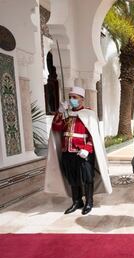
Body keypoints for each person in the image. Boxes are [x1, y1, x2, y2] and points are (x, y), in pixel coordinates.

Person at [44, 86, 112, 214]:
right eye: (70, 97)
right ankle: (77, 201)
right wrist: (59, 112)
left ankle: (89, 202)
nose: (71, 100)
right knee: (72, 178)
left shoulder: (89, 114)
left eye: (74, 97)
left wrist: (87, 149)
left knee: (87, 178)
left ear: (82, 99)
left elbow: (94, 136)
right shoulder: (66, 114)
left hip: (83, 153)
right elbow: (56, 128)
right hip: (68, 152)